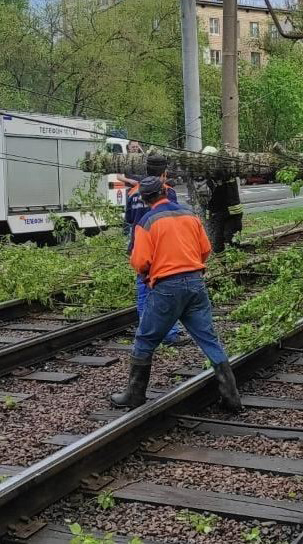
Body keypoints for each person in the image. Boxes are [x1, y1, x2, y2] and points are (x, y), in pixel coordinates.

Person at [111, 176, 242, 411]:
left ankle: (134, 395)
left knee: (145, 339)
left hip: (167, 289)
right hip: (196, 284)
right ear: (164, 191)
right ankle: (232, 396)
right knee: (209, 339)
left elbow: (140, 262)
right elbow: (205, 250)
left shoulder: (146, 222)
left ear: (145, 198)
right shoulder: (190, 216)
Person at [124, 153, 182, 344]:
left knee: (143, 290)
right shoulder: (167, 191)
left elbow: (129, 220)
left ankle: (146, 332)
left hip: (139, 247)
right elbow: (174, 218)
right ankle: (170, 334)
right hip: (162, 248)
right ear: (164, 173)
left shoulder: (133, 192)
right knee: (167, 290)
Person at [201, 146, 243, 253]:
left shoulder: (225, 172)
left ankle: (233, 260)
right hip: (219, 214)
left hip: (231, 214)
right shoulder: (209, 177)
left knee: (230, 242)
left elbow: (219, 188)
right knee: (218, 245)